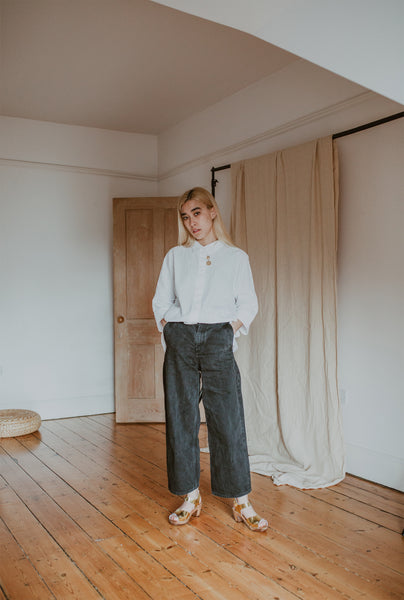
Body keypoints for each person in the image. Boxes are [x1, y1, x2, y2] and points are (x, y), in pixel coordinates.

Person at [152, 186, 268, 532]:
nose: (191, 223)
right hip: (182, 339)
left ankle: (241, 501)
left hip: (219, 338)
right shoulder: (175, 256)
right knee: (181, 417)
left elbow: (248, 304)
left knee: (227, 420)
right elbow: (161, 301)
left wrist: (226, 329)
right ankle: (190, 496)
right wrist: (172, 328)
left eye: (197, 214)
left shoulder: (235, 258)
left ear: (212, 211)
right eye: (185, 217)